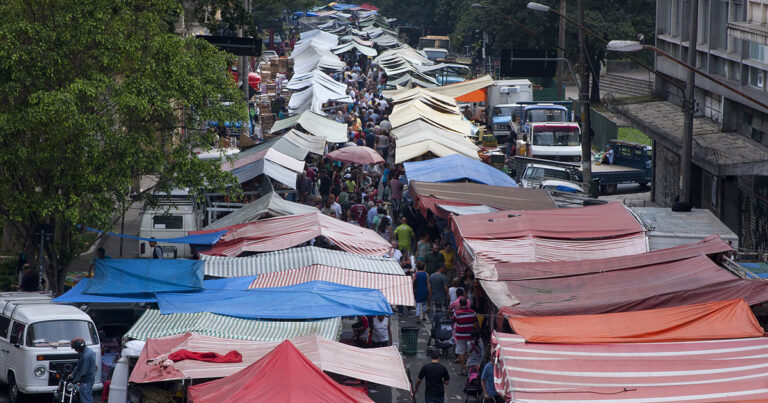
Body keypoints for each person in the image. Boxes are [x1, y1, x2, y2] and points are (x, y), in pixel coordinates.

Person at [452, 297, 478, 375]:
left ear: (460, 304)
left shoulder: (456, 313)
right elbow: (476, 324)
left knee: (461, 352)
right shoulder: (472, 312)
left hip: (460, 336)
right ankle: (470, 368)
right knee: (469, 351)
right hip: (470, 335)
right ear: (466, 304)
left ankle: (463, 369)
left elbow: (452, 322)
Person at [68, 338, 96, 403]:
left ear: (79, 348)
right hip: (89, 378)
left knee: (85, 397)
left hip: (87, 380)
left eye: (75, 349)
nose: (75, 350)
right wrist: (73, 373)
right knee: (88, 396)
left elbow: (83, 372)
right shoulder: (87, 351)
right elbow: (79, 365)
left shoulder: (85, 356)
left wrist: (75, 380)